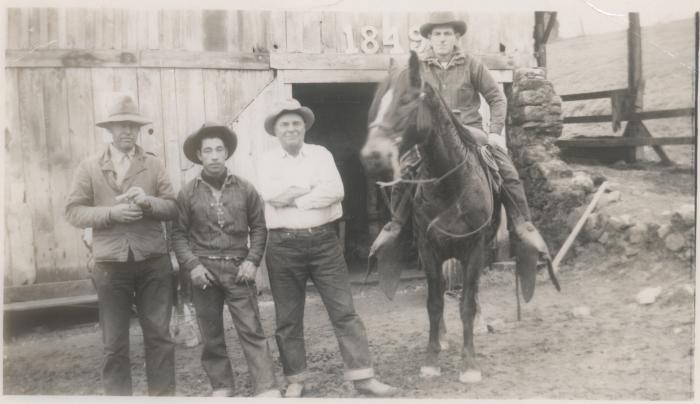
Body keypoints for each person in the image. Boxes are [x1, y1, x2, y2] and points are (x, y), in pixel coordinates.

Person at [370, 12, 551, 270]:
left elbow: (496, 98)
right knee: (404, 169)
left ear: (456, 37)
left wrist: (495, 132)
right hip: (431, 139)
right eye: (437, 34)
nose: (442, 39)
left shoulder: (472, 65)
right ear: (430, 38)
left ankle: (523, 225)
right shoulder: (418, 68)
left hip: (470, 133)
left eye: (447, 34)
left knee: (506, 169)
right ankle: (395, 225)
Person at [258, 98, 399, 398]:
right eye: (285, 124)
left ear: (304, 127)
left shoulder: (320, 154)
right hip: (283, 245)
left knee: (344, 311)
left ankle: (363, 377)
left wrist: (296, 198)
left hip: (324, 241)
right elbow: (270, 194)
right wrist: (312, 191)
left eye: (296, 123)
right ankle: (296, 378)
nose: (292, 129)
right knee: (288, 318)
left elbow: (336, 191)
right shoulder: (265, 160)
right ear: (276, 131)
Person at [65, 94, 177, 395]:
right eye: (120, 126)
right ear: (109, 130)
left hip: (153, 261)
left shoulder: (153, 165)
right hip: (110, 266)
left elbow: (172, 207)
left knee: (159, 337)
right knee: (114, 344)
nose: (127, 131)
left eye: (132, 125)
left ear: (139, 129)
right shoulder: (89, 167)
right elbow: (73, 211)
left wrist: (148, 202)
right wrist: (110, 214)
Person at [170, 123, 280, 397]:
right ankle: (222, 386)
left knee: (251, 328)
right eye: (208, 150)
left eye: (219, 149)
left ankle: (265, 387)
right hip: (203, 272)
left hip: (238, 268)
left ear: (227, 152)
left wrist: (252, 260)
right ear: (199, 155)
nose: (215, 155)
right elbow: (178, 236)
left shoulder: (245, 189)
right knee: (211, 334)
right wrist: (193, 266)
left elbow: (259, 227)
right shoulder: (187, 193)